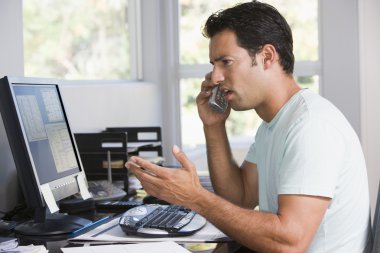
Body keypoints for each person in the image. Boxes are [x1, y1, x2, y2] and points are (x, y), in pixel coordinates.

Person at [126, 1, 372, 252]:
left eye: (226, 62)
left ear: (267, 57)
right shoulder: (273, 125)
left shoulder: (312, 126)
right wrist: (213, 126)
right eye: (213, 65)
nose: (215, 77)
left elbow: (290, 243)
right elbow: (239, 198)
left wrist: (195, 197)